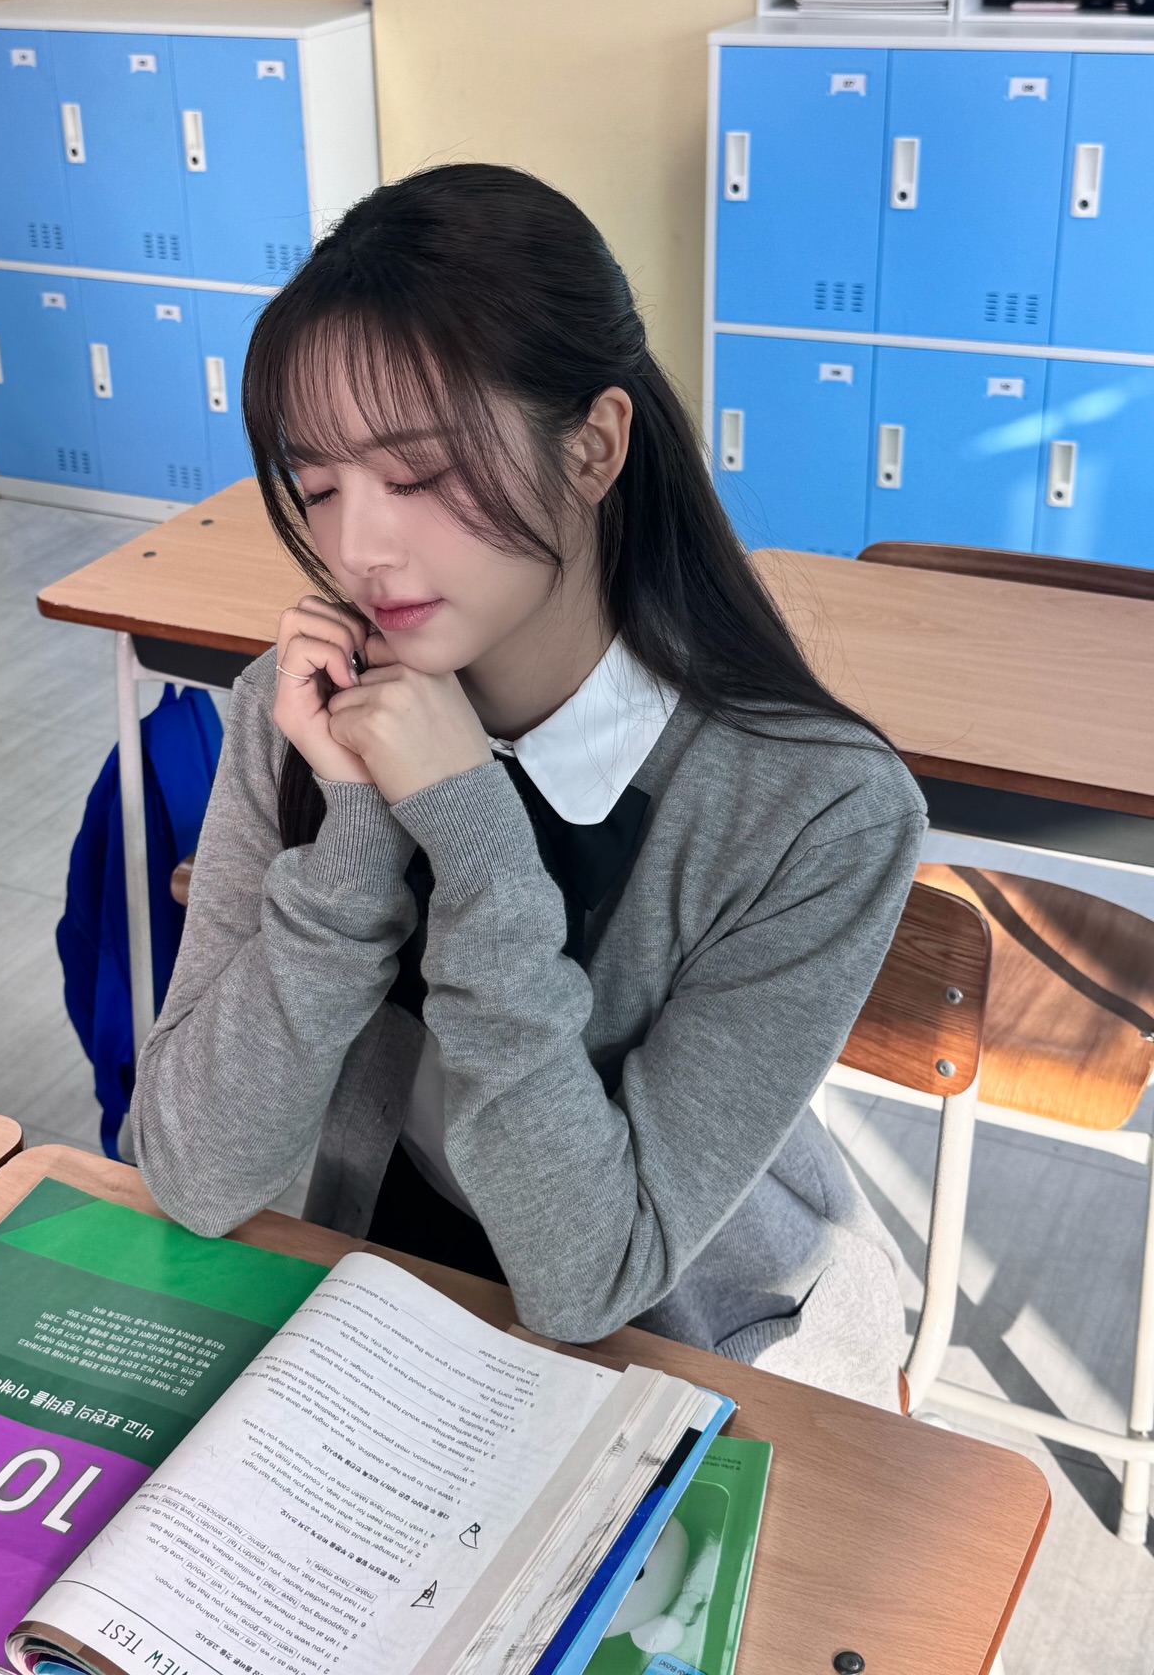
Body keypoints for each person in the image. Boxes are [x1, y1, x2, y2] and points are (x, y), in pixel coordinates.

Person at [132, 164, 925, 1410]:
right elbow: (189, 1168)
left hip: (707, 1348)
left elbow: (587, 1277)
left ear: (594, 446)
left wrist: (475, 843)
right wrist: (354, 833)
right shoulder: (293, 711)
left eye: (417, 475)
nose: (357, 548)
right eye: (319, 486)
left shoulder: (819, 809)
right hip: (412, 1295)